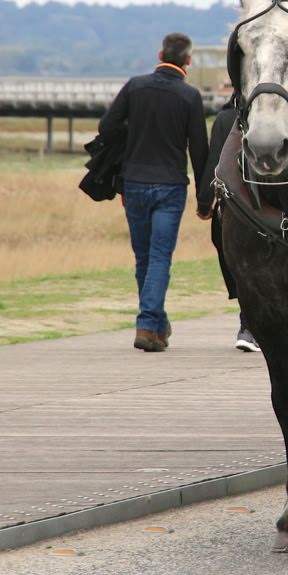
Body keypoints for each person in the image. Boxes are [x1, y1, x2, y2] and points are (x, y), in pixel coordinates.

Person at [99, 33, 209, 352]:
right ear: (188, 59)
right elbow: (199, 152)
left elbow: (107, 127)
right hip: (171, 186)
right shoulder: (190, 97)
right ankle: (148, 324)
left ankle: (157, 325)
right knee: (160, 257)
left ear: (160, 53)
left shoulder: (135, 86)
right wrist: (205, 199)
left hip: (133, 183)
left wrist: (133, 134)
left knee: (144, 257)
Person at [199, 95, 259, 352]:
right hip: (266, 209)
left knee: (242, 269)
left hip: (233, 209)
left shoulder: (224, 119)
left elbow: (215, 164)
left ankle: (247, 326)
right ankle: (251, 327)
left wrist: (204, 203)